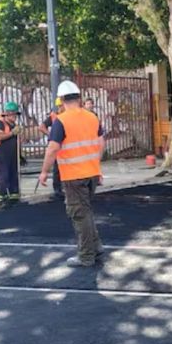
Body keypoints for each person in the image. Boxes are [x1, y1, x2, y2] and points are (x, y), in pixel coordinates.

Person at [39, 81, 105, 268]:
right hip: (91, 172)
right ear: (79, 97)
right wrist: (96, 167)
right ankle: (96, 247)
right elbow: (101, 143)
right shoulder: (92, 117)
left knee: (79, 214)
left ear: (61, 100)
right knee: (86, 211)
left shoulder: (61, 121)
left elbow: (52, 149)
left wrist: (44, 171)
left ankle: (86, 256)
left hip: (73, 175)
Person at [0, 102, 21, 202]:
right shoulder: (0, 123)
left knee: (13, 174)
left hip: (12, 155)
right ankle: (2, 196)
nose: (14, 116)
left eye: (15, 114)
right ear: (6, 114)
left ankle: (13, 195)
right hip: (1, 155)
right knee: (4, 175)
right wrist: (12, 133)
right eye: (12, 114)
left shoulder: (14, 125)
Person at [39, 98, 65, 199]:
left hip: (65, 146)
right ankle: (57, 189)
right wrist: (51, 135)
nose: (61, 108)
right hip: (58, 146)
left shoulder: (63, 116)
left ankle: (61, 188)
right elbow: (41, 127)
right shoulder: (54, 116)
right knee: (57, 168)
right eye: (60, 106)